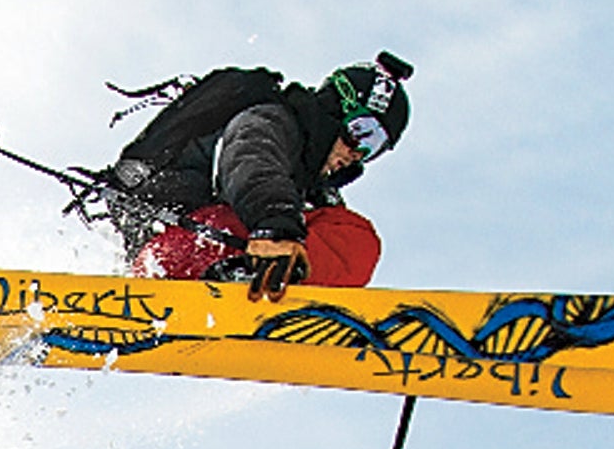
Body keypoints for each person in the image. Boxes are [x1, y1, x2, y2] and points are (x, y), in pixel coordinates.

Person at [102, 52, 412, 300]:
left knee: (337, 228)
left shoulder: (309, 177)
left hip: (177, 253)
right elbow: (250, 162)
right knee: (355, 238)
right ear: (336, 109)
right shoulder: (273, 120)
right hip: (187, 243)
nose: (359, 153)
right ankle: (256, 283)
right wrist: (274, 230)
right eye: (363, 133)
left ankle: (274, 287)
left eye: (375, 147)